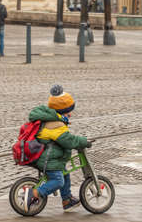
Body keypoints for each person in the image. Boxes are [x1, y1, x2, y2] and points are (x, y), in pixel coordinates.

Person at [24, 84, 92, 213]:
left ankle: (67, 199)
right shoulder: (56, 124)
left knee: (64, 173)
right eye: (68, 111)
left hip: (50, 157)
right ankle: (35, 193)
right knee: (58, 181)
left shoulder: (53, 119)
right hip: (48, 159)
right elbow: (68, 140)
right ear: (61, 111)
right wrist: (83, 141)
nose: (71, 114)